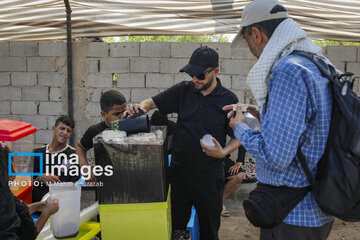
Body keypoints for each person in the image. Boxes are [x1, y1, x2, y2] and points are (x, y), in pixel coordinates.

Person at [223, 0, 335, 239]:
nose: (250, 48)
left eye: (246, 40)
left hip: (293, 216)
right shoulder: (316, 62)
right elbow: (310, 126)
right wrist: (263, 113)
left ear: (256, 34)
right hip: (316, 207)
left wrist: (240, 127)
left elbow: (277, 156)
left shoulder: (287, 70)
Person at [127, 46, 240, 240]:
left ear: (216, 72)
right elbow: (152, 102)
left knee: (209, 232)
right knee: (177, 230)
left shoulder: (228, 100)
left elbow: (240, 135)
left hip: (209, 179)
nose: (195, 79)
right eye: (192, 74)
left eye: (200, 75)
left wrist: (224, 152)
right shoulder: (183, 91)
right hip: (180, 176)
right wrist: (141, 107)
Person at [1, 144, 59, 239]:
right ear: (12, 167)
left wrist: (38, 206)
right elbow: (27, 236)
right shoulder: (4, 198)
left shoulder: (5, 193)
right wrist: (46, 213)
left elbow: (17, 210)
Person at [76, 90, 126, 172]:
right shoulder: (96, 131)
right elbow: (80, 147)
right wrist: (85, 168)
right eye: (116, 114)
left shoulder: (131, 126)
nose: (122, 116)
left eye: (124, 112)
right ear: (103, 114)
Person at [32, 115, 79, 203]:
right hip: (36, 208)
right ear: (54, 128)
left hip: (60, 208)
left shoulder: (73, 155)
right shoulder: (37, 153)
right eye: (62, 128)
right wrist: (40, 178)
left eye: (68, 131)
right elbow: (25, 182)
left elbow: (73, 186)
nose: (65, 133)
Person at [221, 146, 246, 217]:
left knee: (238, 176)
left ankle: (220, 202)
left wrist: (240, 160)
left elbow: (240, 137)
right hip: (200, 161)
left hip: (220, 158)